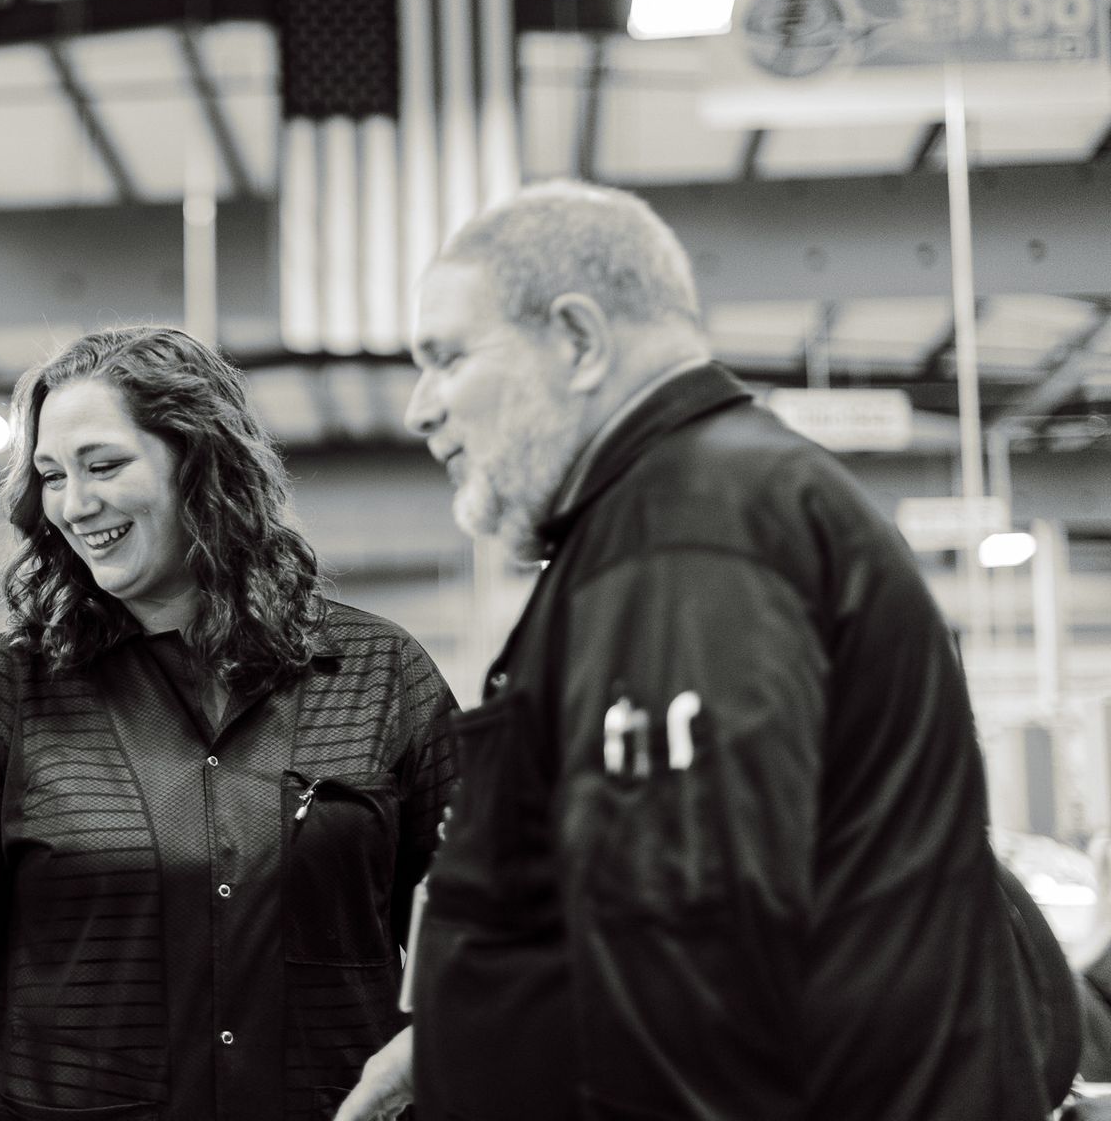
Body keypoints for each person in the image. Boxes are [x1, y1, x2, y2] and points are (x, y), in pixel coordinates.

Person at [339, 180, 1072, 1121]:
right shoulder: (689, 510)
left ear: (577, 339)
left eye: (445, 360)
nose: (420, 410)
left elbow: (690, 962)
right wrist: (449, 1041)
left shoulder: (687, 534)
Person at [0, 324, 456, 1121]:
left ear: (203, 465)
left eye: (103, 465)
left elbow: (483, 941)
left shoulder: (382, 676)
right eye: (51, 475)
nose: (74, 504)